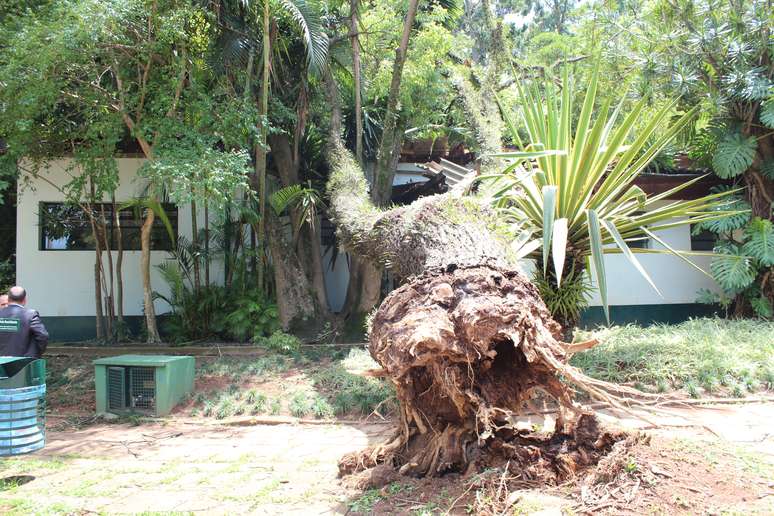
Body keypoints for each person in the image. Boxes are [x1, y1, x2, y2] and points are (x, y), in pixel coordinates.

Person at [0, 286, 48, 358]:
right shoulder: (31, 315)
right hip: (24, 362)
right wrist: (35, 353)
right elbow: (43, 335)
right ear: (25, 300)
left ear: (8, 299)